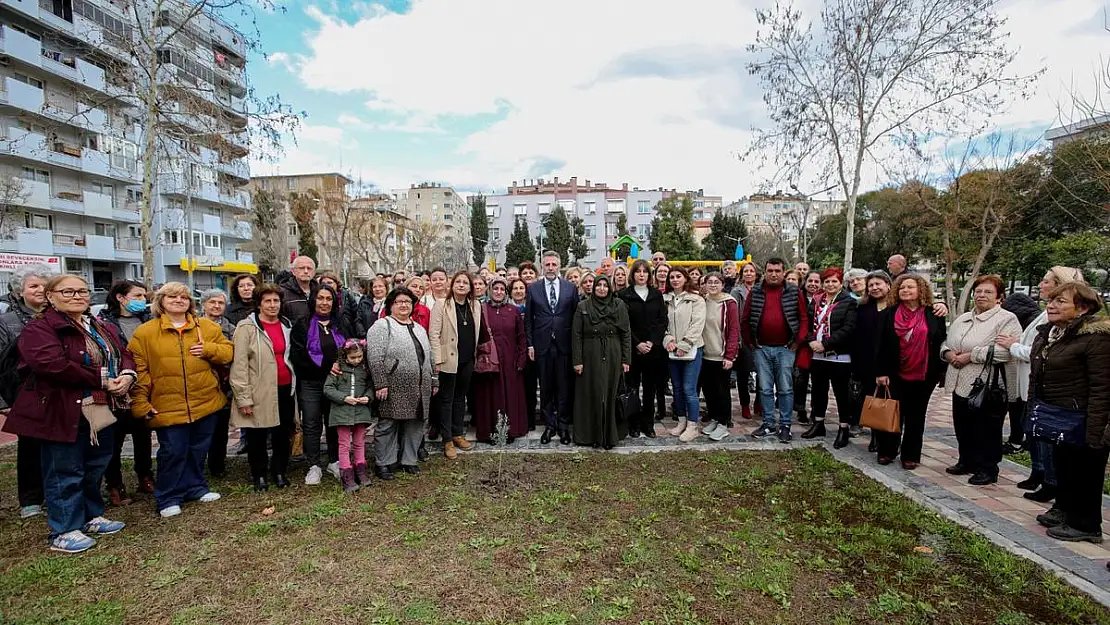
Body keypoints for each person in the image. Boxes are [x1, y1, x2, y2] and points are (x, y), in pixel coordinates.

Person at [2, 274, 133, 553]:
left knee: (94, 464)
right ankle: (64, 529)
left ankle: (90, 515)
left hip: (99, 407)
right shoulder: (41, 328)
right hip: (60, 408)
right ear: (51, 296)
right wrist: (100, 379)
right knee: (64, 469)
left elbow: (123, 352)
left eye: (82, 291)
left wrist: (126, 375)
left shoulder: (98, 324)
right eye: (68, 291)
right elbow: (50, 363)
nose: (77, 296)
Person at [129, 282, 234, 518]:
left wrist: (208, 349)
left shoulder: (205, 327)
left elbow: (228, 351)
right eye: (173, 297)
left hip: (204, 399)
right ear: (161, 301)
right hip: (167, 403)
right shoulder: (145, 332)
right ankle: (168, 496)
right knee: (173, 450)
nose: (179, 300)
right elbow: (139, 369)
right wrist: (141, 402)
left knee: (198, 449)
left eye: (184, 297)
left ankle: (195, 487)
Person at [1028, 282, 1110, 544]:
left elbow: (1102, 386)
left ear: (1083, 308)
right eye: (1050, 301)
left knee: (1086, 469)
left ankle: (1086, 524)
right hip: (1059, 414)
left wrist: (1096, 428)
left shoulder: (1096, 339)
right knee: (1065, 465)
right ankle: (1064, 509)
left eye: (1060, 301)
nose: (1051, 306)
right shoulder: (1053, 334)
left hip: (1085, 416)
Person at [997, 266, 1085, 502]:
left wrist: (1013, 346)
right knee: (1035, 434)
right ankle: (1039, 474)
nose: (1041, 285)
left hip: (1050, 390)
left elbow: (1042, 352)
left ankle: (1051, 482)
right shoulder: (1045, 314)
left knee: (1047, 438)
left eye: (1046, 281)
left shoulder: (1059, 317)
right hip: (1033, 385)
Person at [941, 275, 1022, 486]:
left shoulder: (1007, 319)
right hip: (960, 381)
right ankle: (966, 461)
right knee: (962, 425)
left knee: (987, 428)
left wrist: (971, 355)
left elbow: (1007, 352)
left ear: (999, 297)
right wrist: (948, 354)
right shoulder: (963, 318)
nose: (981, 295)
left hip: (987, 385)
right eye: (978, 291)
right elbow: (946, 342)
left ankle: (987, 468)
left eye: (988, 292)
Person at [874, 274, 948, 468]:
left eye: (910, 287)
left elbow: (941, 341)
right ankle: (887, 451)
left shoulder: (934, 313)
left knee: (917, 415)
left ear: (920, 290)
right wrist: (881, 372)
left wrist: (941, 372)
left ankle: (911, 455)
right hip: (894, 373)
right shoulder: (888, 314)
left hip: (924, 374)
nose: (905, 290)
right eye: (902, 288)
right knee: (893, 412)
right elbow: (879, 344)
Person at [0, 264, 54, 518]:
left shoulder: (59, 317)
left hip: (57, 391)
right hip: (24, 392)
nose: (40, 291)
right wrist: (3, 401)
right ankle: (31, 500)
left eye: (45, 286)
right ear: (19, 292)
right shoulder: (7, 322)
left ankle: (55, 492)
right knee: (31, 446)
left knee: (59, 444)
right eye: (33, 286)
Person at [229, 283, 295, 492]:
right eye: (268, 301)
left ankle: (279, 471)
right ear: (259, 304)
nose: (273, 305)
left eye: (276, 301)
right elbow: (239, 365)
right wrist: (243, 397)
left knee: (282, 433)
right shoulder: (246, 328)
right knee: (257, 434)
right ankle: (259, 474)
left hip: (284, 387)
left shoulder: (286, 325)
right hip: (258, 389)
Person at [369, 287, 437, 478]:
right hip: (393, 386)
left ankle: (409, 460)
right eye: (399, 301)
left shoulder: (419, 328)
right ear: (391, 305)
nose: (404, 305)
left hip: (419, 386)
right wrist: (381, 383)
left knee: (415, 424)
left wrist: (434, 380)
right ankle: (384, 462)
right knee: (388, 424)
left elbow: (429, 356)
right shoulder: (382, 325)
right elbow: (374, 357)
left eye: (407, 302)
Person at [98, 280, 154, 506]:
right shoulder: (104, 323)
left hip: (143, 386)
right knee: (114, 439)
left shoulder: (148, 320)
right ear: (121, 298)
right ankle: (114, 484)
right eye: (137, 296)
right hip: (116, 388)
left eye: (144, 296)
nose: (143, 301)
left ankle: (145, 475)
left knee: (144, 436)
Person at [741, 258, 809, 444]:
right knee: (764, 388)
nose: (773, 274)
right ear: (764, 271)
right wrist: (750, 343)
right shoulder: (756, 291)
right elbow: (745, 319)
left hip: (786, 349)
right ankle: (769, 423)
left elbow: (803, 319)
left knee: (786, 388)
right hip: (761, 348)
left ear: (783, 271)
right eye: (770, 270)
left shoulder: (793, 292)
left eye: (777, 270)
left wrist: (797, 342)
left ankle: (785, 424)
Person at [290, 284, 350, 485]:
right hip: (311, 383)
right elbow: (299, 357)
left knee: (333, 422)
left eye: (329, 299)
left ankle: (334, 461)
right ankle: (314, 465)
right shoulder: (302, 325)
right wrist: (327, 366)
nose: (324, 303)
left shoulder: (340, 323)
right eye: (320, 298)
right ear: (313, 300)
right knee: (312, 423)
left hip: (336, 383)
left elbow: (350, 349)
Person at [525, 250, 579, 445]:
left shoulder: (570, 288)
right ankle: (549, 425)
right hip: (542, 346)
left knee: (564, 387)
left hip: (565, 346)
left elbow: (576, 319)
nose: (550, 268)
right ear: (542, 266)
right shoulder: (533, 289)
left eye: (554, 265)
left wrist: (576, 346)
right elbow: (529, 321)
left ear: (559, 266)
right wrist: (530, 344)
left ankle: (564, 426)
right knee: (546, 387)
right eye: (547, 265)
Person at [429, 271, 485, 459]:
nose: (461, 285)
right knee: (446, 400)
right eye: (458, 282)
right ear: (452, 285)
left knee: (460, 399)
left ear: (470, 287)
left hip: (467, 359)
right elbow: (434, 334)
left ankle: (458, 433)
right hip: (447, 360)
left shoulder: (475, 305)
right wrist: (436, 360)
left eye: (465, 282)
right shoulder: (441, 305)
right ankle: (447, 440)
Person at [572, 275, 631, 449]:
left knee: (610, 393)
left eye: (605, 285)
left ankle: (610, 435)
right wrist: (577, 360)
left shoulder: (618, 305)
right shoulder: (583, 306)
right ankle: (591, 435)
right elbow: (576, 335)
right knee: (592, 393)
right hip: (589, 353)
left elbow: (626, 333)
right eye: (599, 285)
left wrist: (626, 358)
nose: (602, 288)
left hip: (613, 351)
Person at [801, 267, 857, 444]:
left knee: (841, 392)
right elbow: (808, 324)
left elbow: (848, 328)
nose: (830, 284)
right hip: (817, 355)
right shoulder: (817, 301)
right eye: (827, 281)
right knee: (818, 391)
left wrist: (825, 344)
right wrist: (811, 341)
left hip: (838, 355)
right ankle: (818, 423)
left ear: (841, 283)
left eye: (834, 281)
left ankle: (844, 427)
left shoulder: (849, 302)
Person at [618, 260, 668, 438]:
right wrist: (637, 343)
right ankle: (634, 423)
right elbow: (623, 323)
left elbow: (662, 320)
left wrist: (652, 342)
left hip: (653, 350)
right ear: (633, 275)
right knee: (632, 388)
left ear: (649, 275)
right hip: (632, 349)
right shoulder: (624, 295)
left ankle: (648, 424)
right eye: (638, 271)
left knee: (650, 389)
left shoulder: (656, 295)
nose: (641, 274)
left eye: (644, 272)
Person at [474, 277, 528, 443]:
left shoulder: (514, 311)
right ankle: (490, 432)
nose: (498, 292)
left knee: (510, 397)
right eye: (495, 289)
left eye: (502, 289)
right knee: (490, 397)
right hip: (490, 364)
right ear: (490, 290)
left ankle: (510, 431)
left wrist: (521, 359)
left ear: (506, 292)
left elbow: (521, 337)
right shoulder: (481, 310)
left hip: (511, 363)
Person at [324, 340, 374, 493]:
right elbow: (327, 388)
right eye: (353, 357)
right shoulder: (338, 370)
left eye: (359, 357)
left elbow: (370, 387)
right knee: (344, 444)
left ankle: (361, 471)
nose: (357, 360)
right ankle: (347, 474)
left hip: (360, 412)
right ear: (345, 356)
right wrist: (344, 398)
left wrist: (368, 397)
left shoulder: (364, 370)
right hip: (342, 413)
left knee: (359, 442)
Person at [664, 267, 706, 443]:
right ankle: (681, 421)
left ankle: (692, 426)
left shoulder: (696, 299)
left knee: (689, 389)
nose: (675, 280)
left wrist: (684, 344)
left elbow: (697, 324)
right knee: (677, 388)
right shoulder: (665, 299)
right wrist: (668, 340)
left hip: (692, 349)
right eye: (671, 277)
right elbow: (661, 322)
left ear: (685, 278)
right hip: (672, 350)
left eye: (678, 276)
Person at [699, 272, 740, 442]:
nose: (713, 285)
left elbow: (734, 330)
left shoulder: (729, 303)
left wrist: (730, 356)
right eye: (710, 282)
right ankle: (715, 418)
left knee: (721, 390)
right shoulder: (703, 300)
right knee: (708, 389)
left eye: (717, 282)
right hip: (705, 353)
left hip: (721, 354)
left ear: (723, 285)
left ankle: (723, 422)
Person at [794, 270, 824, 425]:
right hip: (803, 344)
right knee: (801, 379)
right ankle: (800, 409)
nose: (813, 284)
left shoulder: (826, 299)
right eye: (810, 281)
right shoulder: (798, 297)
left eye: (816, 281)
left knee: (819, 381)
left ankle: (816, 410)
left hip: (821, 346)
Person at [279, 256, 318, 322]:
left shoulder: (319, 292)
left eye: (309, 268)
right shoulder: (282, 292)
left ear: (314, 272)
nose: (306, 271)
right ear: (293, 271)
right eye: (302, 268)